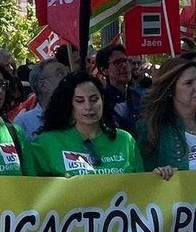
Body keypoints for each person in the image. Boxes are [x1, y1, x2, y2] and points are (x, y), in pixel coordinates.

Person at [30, 72, 165, 178]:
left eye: (94, 99)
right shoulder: (46, 143)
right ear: (69, 105)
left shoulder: (125, 140)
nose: (88, 107)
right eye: (80, 101)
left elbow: (142, 187)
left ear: (103, 100)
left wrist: (160, 176)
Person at [13, 58, 66, 141]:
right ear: (43, 85)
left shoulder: (80, 117)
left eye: (68, 73)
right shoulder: (23, 123)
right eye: (60, 74)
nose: (67, 78)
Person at [95, 44, 141, 129]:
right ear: (104, 70)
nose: (124, 65)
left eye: (126, 61)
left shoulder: (139, 96)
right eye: (117, 62)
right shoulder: (100, 101)